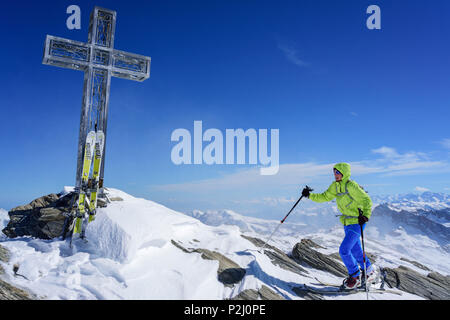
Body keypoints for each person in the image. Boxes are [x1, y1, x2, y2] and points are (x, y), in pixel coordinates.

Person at [301, 162, 376, 289]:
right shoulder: (335, 186)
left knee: (344, 250)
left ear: (344, 173)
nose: (335, 175)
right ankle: (369, 270)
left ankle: (355, 276)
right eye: (334, 172)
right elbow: (324, 197)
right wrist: (309, 195)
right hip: (347, 223)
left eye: (337, 172)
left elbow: (366, 200)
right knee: (355, 249)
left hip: (357, 222)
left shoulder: (351, 185)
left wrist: (366, 215)